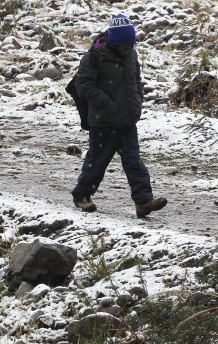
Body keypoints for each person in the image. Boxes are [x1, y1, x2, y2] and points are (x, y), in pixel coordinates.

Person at [71, 14, 167, 218]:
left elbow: (136, 81)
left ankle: (143, 201)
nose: (128, 49)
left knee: (134, 163)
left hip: (127, 122)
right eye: (125, 46)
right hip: (103, 123)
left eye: (131, 45)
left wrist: (137, 100)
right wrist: (106, 102)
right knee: (97, 162)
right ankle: (82, 196)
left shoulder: (132, 55)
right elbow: (83, 85)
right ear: (115, 43)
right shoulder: (94, 57)